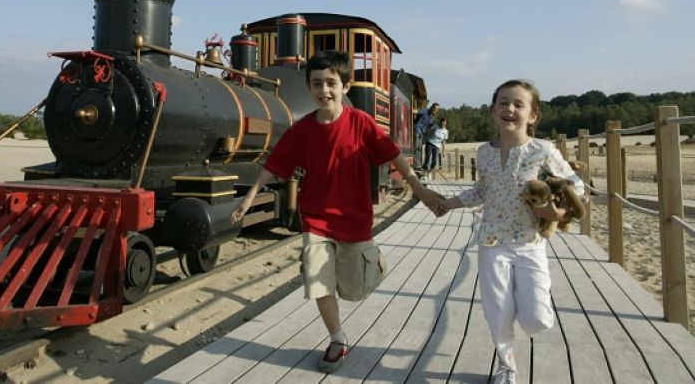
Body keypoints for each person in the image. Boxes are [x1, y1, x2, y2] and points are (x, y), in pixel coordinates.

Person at [231, 50, 444, 374]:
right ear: (309, 87)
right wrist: (249, 196)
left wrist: (421, 191)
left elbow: (393, 156)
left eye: (331, 83)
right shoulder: (302, 130)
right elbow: (274, 165)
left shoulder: (360, 123)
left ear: (345, 86)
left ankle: (375, 261)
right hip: (315, 219)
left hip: (353, 219)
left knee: (354, 290)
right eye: (317, 83)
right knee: (318, 283)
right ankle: (336, 338)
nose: (324, 90)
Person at [436, 80, 584, 384]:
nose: (510, 109)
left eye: (518, 104)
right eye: (503, 103)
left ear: (533, 115)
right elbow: (482, 190)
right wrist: (448, 203)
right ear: (493, 110)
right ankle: (507, 366)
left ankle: (523, 308)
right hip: (491, 242)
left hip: (530, 243)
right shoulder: (485, 153)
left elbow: (577, 187)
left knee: (537, 318)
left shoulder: (543, 151)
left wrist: (558, 212)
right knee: (498, 312)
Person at [414, 102, 440, 170]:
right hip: (417, 131)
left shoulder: (432, 118)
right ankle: (417, 165)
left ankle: (418, 165)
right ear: (432, 107)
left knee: (419, 149)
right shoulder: (425, 111)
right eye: (435, 108)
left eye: (437, 109)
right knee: (417, 148)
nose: (435, 110)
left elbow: (430, 125)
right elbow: (415, 111)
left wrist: (435, 126)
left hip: (421, 133)